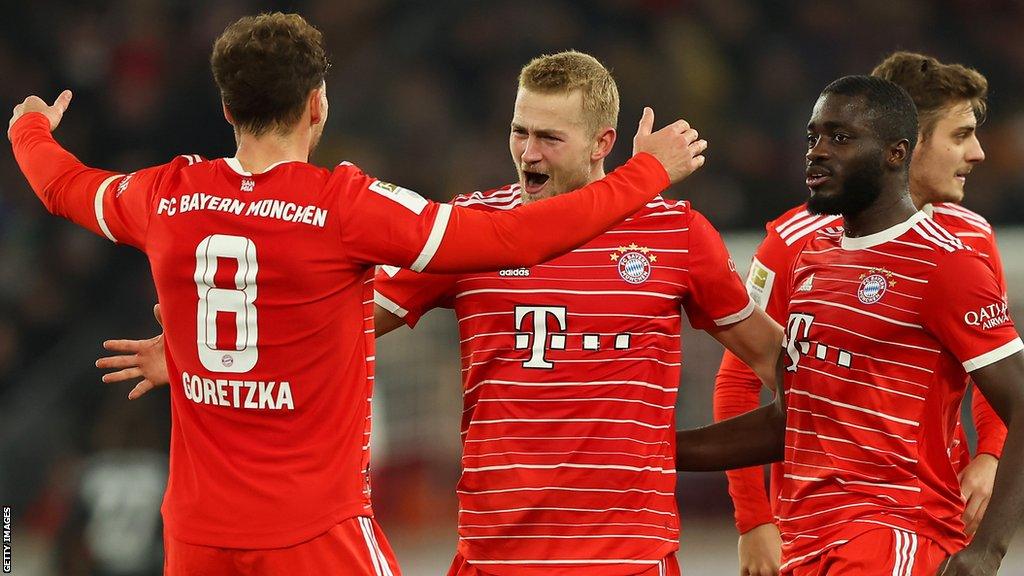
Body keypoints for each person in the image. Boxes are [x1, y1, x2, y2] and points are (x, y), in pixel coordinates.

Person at [7, 13, 709, 576]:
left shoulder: (166, 195)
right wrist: (644, 174)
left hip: (196, 540)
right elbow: (515, 242)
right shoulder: (346, 207)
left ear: (226, 108)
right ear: (317, 105)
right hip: (314, 533)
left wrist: (26, 124)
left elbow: (59, 184)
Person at [676, 76, 1024, 576]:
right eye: (813, 137)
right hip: (808, 542)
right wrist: (655, 449)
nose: (817, 153)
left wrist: (987, 551)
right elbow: (793, 420)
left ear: (895, 153)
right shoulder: (812, 259)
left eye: (839, 138)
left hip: (890, 536)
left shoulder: (947, 264)